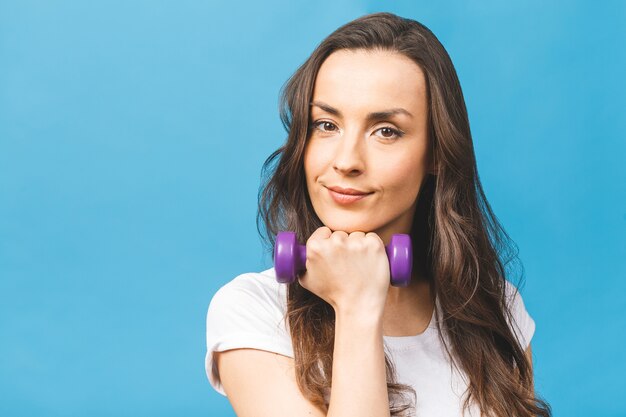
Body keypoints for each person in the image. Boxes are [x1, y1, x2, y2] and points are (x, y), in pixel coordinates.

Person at [204, 12, 552, 417]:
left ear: (437, 153)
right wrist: (356, 306)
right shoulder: (252, 312)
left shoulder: (498, 308)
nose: (347, 161)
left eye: (385, 130)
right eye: (326, 124)